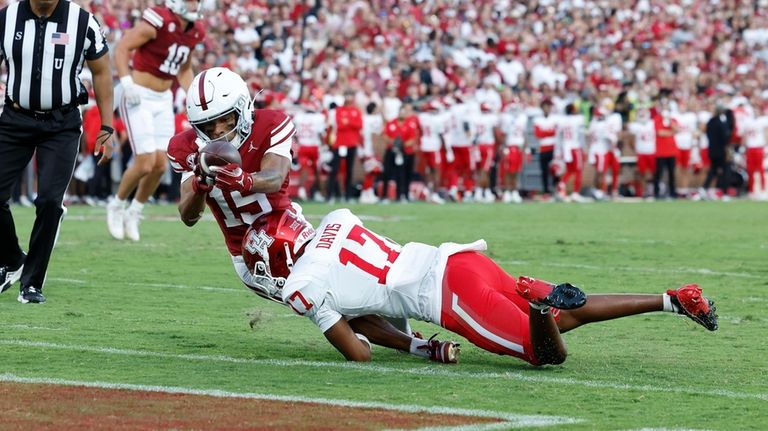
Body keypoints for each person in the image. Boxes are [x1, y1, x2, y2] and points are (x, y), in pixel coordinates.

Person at [167, 67, 446, 362]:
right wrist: (199, 185)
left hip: (293, 229)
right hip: (254, 255)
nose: (219, 132)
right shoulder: (184, 148)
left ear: (243, 108)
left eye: (225, 120)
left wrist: (245, 180)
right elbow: (188, 215)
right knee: (331, 299)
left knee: (362, 279)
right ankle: (413, 345)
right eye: (209, 126)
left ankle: (408, 335)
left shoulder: (271, 123)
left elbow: (274, 176)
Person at [242, 207, 718, 364]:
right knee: (564, 319)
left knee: (545, 353)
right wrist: (418, 348)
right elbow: (364, 302)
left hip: (449, 296)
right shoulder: (336, 219)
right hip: (457, 259)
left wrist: (314, 315)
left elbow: (358, 350)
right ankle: (673, 300)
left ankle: (537, 304)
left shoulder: (302, 283)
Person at [0, 0, 114, 304]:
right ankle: (13, 259)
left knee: (50, 201)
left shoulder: (82, 21)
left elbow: (102, 71)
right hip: (14, 118)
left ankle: (32, 282)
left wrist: (107, 126)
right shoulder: (6, 18)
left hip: (61, 123)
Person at [106, 0, 205, 242]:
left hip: (163, 99)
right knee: (145, 162)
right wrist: (127, 83)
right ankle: (116, 205)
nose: (195, 4)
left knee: (161, 164)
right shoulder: (158, 20)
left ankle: (135, 211)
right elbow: (122, 48)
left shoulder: (194, 30)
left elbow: (183, 69)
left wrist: (196, 98)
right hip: (138, 94)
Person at [703, 103, 733, 200]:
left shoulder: (710, 122)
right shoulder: (722, 123)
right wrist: (727, 151)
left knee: (713, 170)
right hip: (721, 151)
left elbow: (707, 134)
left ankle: (704, 189)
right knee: (725, 171)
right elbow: (725, 138)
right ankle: (724, 193)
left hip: (712, 150)